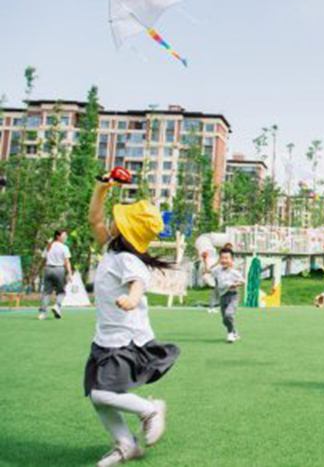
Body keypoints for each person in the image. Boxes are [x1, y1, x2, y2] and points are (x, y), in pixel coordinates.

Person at [84, 173, 180, 466]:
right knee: (98, 396)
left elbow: (138, 282)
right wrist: (101, 188)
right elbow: (94, 220)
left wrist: (132, 299)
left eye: (118, 220)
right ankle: (127, 444)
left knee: (101, 394)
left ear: (125, 231)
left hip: (126, 340)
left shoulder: (129, 260)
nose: (111, 221)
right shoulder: (110, 249)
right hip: (106, 339)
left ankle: (150, 410)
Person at [203, 246, 245, 343]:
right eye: (222, 258)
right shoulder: (217, 270)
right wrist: (205, 260)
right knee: (225, 320)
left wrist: (235, 284)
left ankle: (230, 334)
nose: (224, 260)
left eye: (227, 258)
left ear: (231, 259)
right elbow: (207, 271)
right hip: (222, 297)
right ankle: (234, 332)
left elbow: (243, 281)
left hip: (233, 296)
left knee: (228, 314)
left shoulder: (234, 272)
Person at [38, 229, 72, 320]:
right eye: (64, 236)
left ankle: (42, 313)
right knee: (61, 292)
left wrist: (40, 269)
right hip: (59, 270)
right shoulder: (64, 247)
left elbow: (43, 259)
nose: (66, 237)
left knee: (46, 292)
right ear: (58, 236)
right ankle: (57, 306)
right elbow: (67, 262)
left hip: (48, 269)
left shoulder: (49, 246)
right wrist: (70, 273)